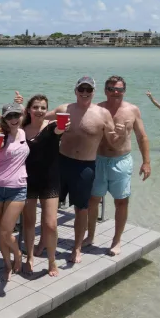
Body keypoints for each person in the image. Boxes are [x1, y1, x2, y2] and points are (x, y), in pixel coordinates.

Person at [46, 76, 126, 264]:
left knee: (81, 209)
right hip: (61, 162)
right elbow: (38, 117)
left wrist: (121, 135)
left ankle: (77, 247)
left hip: (85, 167)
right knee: (50, 205)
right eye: (81, 89)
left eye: (88, 90)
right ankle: (45, 242)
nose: (84, 93)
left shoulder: (102, 114)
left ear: (93, 92)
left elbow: (113, 143)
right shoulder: (64, 109)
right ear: (75, 91)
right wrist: (22, 109)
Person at [83, 76, 151, 256]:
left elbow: (142, 137)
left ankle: (116, 240)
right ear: (105, 90)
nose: (115, 92)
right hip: (98, 160)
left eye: (119, 89)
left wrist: (146, 162)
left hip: (121, 161)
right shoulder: (97, 109)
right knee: (92, 200)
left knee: (121, 201)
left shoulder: (132, 110)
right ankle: (90, 236)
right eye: (112, 88)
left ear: (124, 91)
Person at [19, 94, 68, 277]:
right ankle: (30, 257)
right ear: (29, 110)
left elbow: (60, 129)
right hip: (28, 180)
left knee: (51, 224)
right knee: (29, 222)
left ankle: (52, 260)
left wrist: (63, 127)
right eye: (36, 107)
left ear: (47, 110)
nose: (39, 111)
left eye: (43, 107)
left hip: (50, 180)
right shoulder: (22, 129)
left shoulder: (52, 126)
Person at [0, 102, 30, 281]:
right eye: (9, 116)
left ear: (22, 116)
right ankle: (8, 265)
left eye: (16, 115)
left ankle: (17, 255)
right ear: (4, 119)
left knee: (5, 231)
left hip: (18, 188)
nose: (13, 119)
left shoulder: (24, 132)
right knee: (2, 230)